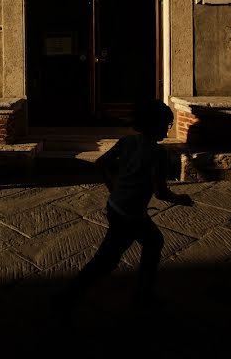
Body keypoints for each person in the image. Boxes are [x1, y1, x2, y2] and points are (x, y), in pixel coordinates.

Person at [57, 100, 194, 310]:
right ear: (154, 125)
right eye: (165, 125)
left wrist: (113, 188)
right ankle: (69, 297)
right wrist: (181, 198)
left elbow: (101, 163)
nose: (167, 130)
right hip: (131, 214)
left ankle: (141, 293)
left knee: (152, 242)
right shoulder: (158, 154)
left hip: (115, 205)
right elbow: (161, 193)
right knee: (107, 259)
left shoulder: (127, 142)